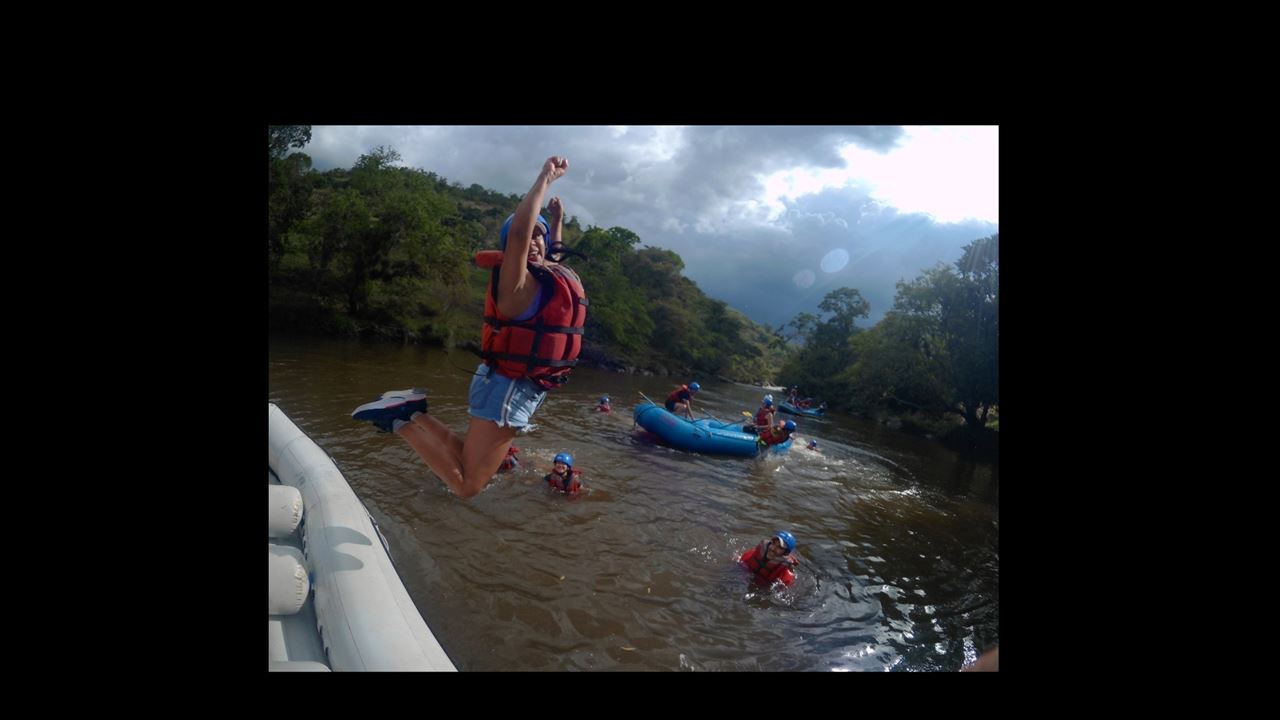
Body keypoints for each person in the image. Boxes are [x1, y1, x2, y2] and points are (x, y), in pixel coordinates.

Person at [351, 156, 581, 498]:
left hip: (507, 385)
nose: (534, 240)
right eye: (527, 236)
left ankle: (411, 411)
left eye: (541, 236)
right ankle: (400, 421)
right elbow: (520, 232)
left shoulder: (548, 279)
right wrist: (545, 179)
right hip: (508, 389)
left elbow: (555, 255)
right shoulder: (515, 284)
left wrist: (557, 220)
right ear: (511, 247)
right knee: (468, 485)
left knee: (464, 456)